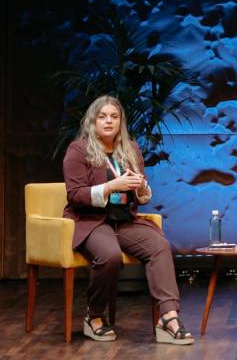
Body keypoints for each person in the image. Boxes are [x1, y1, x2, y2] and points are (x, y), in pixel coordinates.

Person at [63, 95, 193, 344]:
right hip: (92, 221)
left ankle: (168, 318)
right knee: (110, 256)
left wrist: (142, 188)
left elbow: (140, 195)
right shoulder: (78, 150)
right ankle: (94, 315)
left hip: (124, 221)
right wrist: (112, 185)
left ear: (120, 121)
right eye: (102, 117)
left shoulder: (130, 148)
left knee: (159, 246)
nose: (108, 121)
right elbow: (75, 195)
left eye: (114, 116)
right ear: (93, 121)